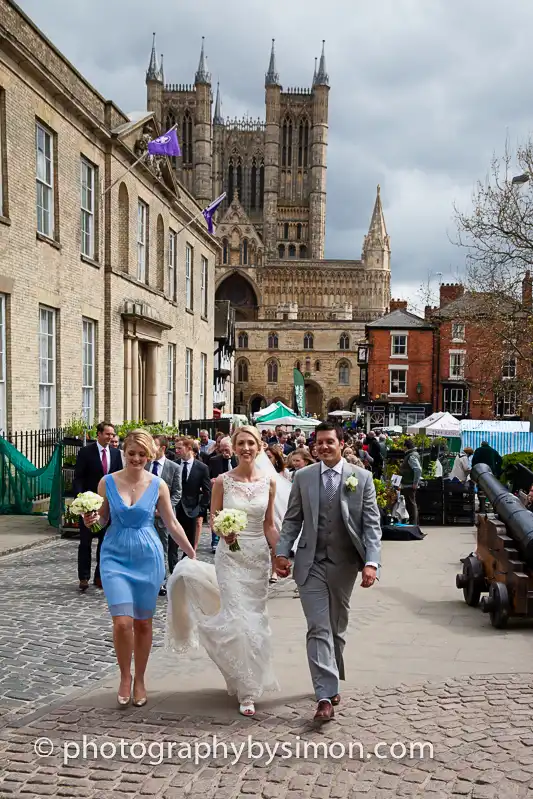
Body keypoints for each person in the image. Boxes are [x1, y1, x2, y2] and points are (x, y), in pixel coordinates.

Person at [165, 425, 280, 717]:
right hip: (229, 558)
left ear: (259, 447)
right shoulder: (222, 482)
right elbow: (214, 519)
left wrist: (279, 555)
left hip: (257, 558)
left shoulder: (269, 482)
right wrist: (223, 532)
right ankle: (247, 690)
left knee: (256, 622)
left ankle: (246, 677)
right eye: (240, 443)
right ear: (233, 447)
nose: (245, 449)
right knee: (238, 622)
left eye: (250, 444)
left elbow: (269, 524)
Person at [275, 421, 381, 723]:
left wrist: (371, 562)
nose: (322, 447)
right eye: (318, 442)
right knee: (317, 627)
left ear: (341, 444)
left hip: (345, 563)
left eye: (328, 442)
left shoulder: (362, 478)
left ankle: (331, 676)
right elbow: (292, 519)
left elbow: (371, 525)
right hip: (310, 563)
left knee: (336, 627)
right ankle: (324, 696)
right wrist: (283, 551)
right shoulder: (303, 477)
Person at [81, 429, 195, 708]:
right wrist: (89, 521)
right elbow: (102, 520)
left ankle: (140, 679)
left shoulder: (158, 485)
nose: (136, 458)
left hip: (148, 555)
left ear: (150, 455)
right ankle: (123, 676)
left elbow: (172, 523)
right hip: (114, 555)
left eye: (142, 454)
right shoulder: (106, 482)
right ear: (124, 453)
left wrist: (191, 553)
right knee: (122, 623)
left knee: (143, 624)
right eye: (131, 453)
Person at [74, 421, 122, 592]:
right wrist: (80, 502)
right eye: (107, 434)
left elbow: (119, 479)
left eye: (112, 434)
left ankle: (99, 575)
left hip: (108, 505)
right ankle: (84, 577)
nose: (111, 437)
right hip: (89, 504)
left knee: (105, 542)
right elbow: (78, 477)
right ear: (99, 434)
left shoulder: (116, 454)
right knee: (85, 543)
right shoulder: (86, 452)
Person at [148, 435, 182, 596]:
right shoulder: (145, 464)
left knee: (164, 548)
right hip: (145, 515)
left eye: (153, 445)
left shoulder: (174, 467)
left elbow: (177, 492)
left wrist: (163, 509)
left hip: (164, 517)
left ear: (162, 448)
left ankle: (162, 581)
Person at [171, 438, 211, 570]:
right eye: (175, 448)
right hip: (174, 510)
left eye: (179, 448)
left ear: (189, 448)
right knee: (172, 544)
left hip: (192, 510)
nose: (176, 451)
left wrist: (200, 509)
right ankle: (173, 570)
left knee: (189, 544)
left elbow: (207, 491)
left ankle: (185, 569)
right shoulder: (174, 465)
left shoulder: (202, 467)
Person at [399, 439, 422, 525]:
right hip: (408, 483)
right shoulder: (411, 455)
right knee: (411, 503)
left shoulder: (411, 456)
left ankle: (413, 524)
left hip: (409, 484)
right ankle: (414, 523)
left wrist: (415, 483)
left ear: (406, 446)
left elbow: (418, 469)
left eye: (403, 446)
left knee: (411, 504)